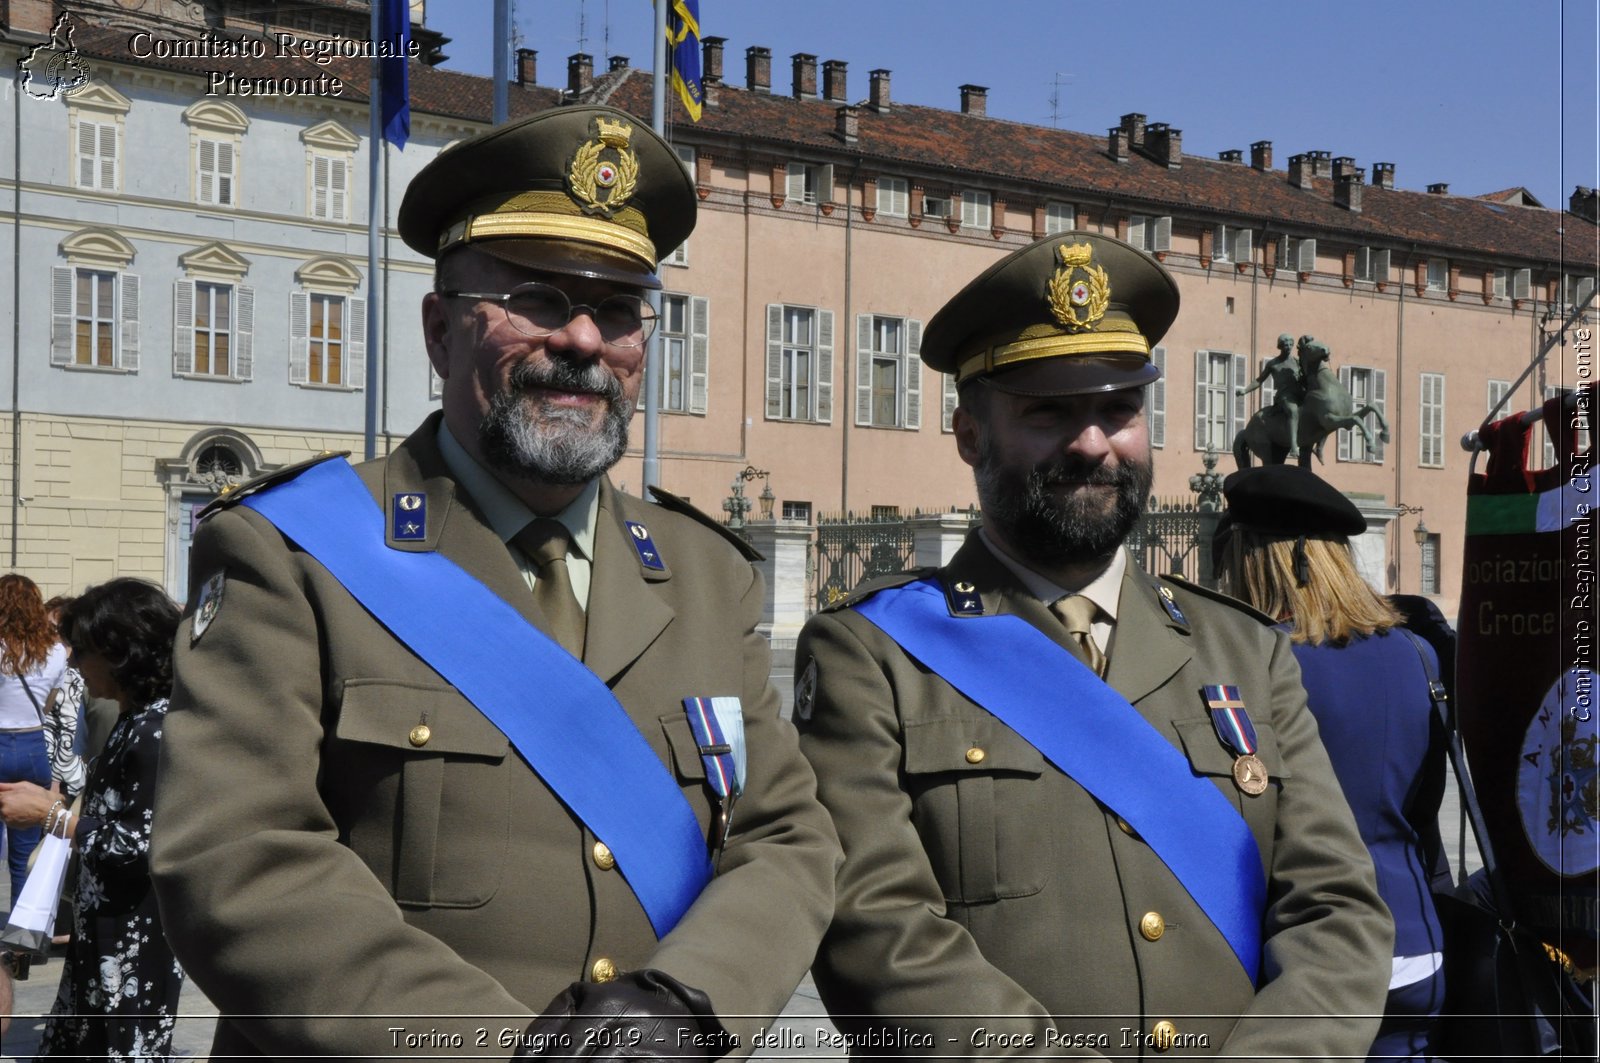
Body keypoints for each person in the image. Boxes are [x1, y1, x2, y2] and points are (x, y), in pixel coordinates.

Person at [150, 105, 839, 1060]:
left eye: (620, 310)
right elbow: (238, 862)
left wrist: (691, 1001)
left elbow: (787, 835)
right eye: (541, 299)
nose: (586, 342)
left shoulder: (705, 574)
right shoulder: (294, 553)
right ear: (440, 330)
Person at [793, 233, 1394, 1057]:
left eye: (1119, 409)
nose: (1092, 443)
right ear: (970, 434)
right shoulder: (873, 656)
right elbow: (880, 938)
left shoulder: (1245, 651)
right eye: (1048, 411)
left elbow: (1335, 908)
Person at [1214, 464, 1448, 1061]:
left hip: (1305, 961)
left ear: (1261, 559)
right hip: (1415, 940)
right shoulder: (1418, 655)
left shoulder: (1258, 669)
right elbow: (1424, 809)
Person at [0, 577, 186, 1060]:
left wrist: (51, 816)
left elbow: (140, 846)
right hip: (102, 931)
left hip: (131, 941)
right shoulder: (134, 718)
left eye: (80, 650)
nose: (73, 662)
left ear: (121, 654)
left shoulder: (156, 732)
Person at [0, 573, 66, 912]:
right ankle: (22, 939)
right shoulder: (54, 651)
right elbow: (49, 705)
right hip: (31, 745)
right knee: (25, 851)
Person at [1237, 332, 1305, 458]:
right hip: (1285, 395)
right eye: (1285, 344)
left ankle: (1319, 445)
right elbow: (1259, 380)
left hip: (1300, 393)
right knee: (1293, 411)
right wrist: (1245, 390)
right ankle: (1294, 446)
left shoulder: (1297, 361)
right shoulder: (1273, 364)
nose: (1289, 346)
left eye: (1291, 344)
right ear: (1280, 346)